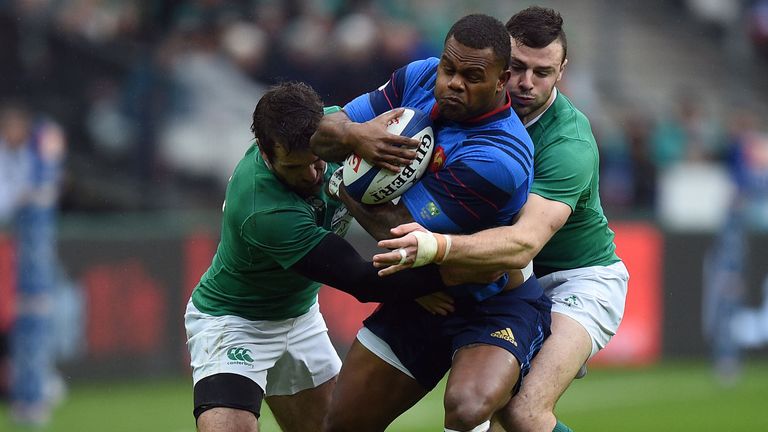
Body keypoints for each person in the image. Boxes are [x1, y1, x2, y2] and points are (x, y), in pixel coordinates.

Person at [372, 7, 630, 432]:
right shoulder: (460, 106)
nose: (527, 83)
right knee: (481, 404)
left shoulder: (569, 143)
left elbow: (523, 242)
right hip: (505, 277)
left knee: (521, 412)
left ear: (562, 71)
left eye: (543, 72)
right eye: (517, 68)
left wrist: (435, 250)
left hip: (574, 278)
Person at [310, 14, 551, 432]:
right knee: (341, 423)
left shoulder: (498, 159)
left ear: (502, 79)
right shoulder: (420, 78)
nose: (454, 83)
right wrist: (356, 136)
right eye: (449, 68)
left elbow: (401, 230)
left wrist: (343, 186)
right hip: (422, 294)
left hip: (488, 303)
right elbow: (323, 133)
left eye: (473, 76)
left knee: (467, 406)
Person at [184, 81, 456, 432]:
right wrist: (456, 270)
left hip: (299, 319)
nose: (312, 173)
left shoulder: (338, 130)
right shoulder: (261, 208)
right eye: (294, 167)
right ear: (266, 155)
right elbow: (359, 280)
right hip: (235, 321)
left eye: (316, 160)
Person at [0, 102, 67, 426]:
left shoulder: (39, 147)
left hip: (35, 262)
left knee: (40, 320)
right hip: (18, 261)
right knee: (24, 325)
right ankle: (26, 394)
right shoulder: (9, 157)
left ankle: (38, 390)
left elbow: (46, 180)